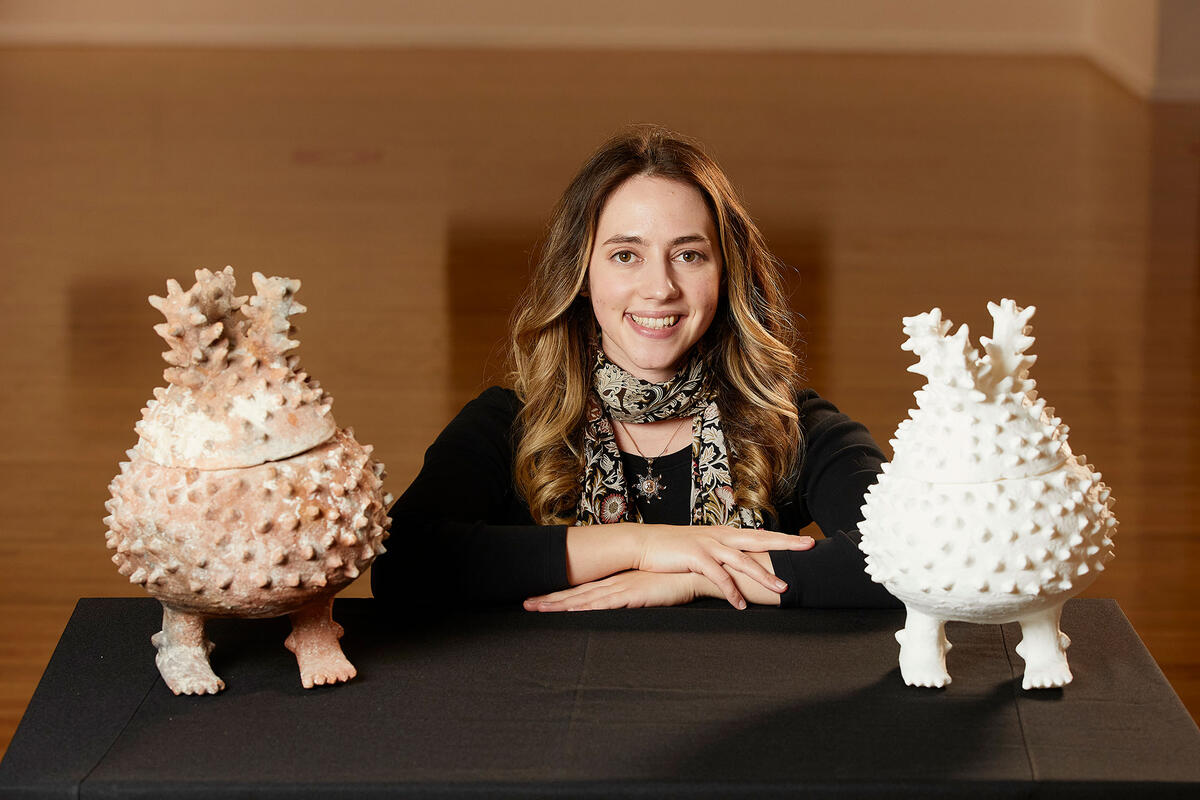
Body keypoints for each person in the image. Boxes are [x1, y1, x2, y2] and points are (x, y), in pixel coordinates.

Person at [371, 125, 898, 611]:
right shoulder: (509, 423)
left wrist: (698, 577)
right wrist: (644, 546)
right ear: (582, 275)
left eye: (689, 255)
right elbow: (403, 564)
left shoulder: (790, 423)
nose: (660, 288)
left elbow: (915, 554)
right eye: (626, 255)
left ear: (725, 275)